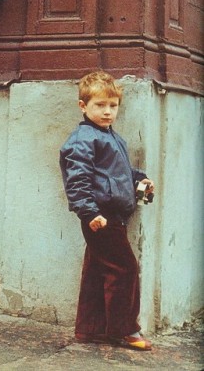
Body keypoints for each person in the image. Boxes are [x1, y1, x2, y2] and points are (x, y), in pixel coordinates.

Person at [59, 71, 155, 351]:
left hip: (110, 214)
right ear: (83, 106)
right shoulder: (83, 139)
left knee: (97, 270)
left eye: (112, 105)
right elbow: (77, 181)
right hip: (100, 216)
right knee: (124, 269)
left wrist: (140, 178)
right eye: (100, 105)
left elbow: (117, 172)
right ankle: (124, 330)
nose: (107, 111)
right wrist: (89, 213)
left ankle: (90, 330)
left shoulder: (110, 136)